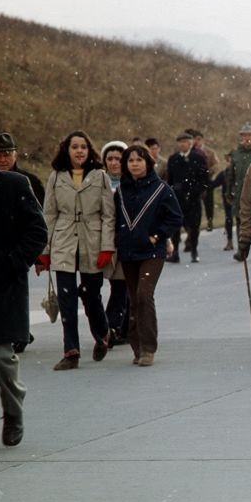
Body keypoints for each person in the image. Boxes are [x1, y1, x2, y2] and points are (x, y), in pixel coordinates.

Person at [0, 125, 47, 451]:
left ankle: (13, 406)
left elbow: (37, 231)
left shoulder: (14, 185)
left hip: (1, 286)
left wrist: (12, 263)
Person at [38, 130, 116, 370]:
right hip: (63, 241)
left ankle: (103, 333)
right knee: (66, 299)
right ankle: (71, 351)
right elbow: (49, 214)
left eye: (83, 147)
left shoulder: (100, 177)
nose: (79, 151)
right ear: (67, 150)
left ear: (89, 150)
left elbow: (108, 215)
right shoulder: (56, 177)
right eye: (74, 147)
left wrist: (107, 247)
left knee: (92, 296)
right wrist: (45, 250)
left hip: (92, 242)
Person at [114, 144, 183, 366]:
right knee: (133, 299)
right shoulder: (121, 192)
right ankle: (137, 347)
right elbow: (114, 219)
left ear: (148, 162)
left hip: (152, 252)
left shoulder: (161, 189)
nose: (134, 164)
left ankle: (148, 347)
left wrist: (157, 236)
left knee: (144, 294)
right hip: (127, 252)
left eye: (139, 160)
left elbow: (175, 217)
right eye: (130, 160)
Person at [100, 140, 130, 347]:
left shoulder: (133, 183)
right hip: (105, 240)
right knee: (117, 284)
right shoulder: (98, 183)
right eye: (109, 159)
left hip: (127, 241)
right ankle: (116, 326)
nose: (113, 163)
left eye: (118, 159)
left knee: (122, 285)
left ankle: (113, 325)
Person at [165, 132, 210, 263]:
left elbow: (204, 179)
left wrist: (196, 190)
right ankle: (175, 253)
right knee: (175, 226)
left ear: (190, 143)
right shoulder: (173, 159)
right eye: (180, 142)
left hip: (193, 198)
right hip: (177, 199)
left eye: (185, 141)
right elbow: (170, 179)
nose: (182, 144)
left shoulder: (198, 158)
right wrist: (172, 191)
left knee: (194, 226)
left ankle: (194, 250)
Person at [229, 123, 251, 252]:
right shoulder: (236, 153)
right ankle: (241, 248)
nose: (247, 138)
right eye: (244, 135)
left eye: (250, 135)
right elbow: (230, 174)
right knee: (241, 219)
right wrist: (229, 191)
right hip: (240, 191)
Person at [0, 132, 45, 206]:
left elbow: (42, 212)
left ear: (15, 155)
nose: (2, 160)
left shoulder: (31, 182)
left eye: (6, 155)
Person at [188, 130, 221, 231]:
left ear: (203, 140)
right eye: (195, 139)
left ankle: (209, 220)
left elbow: (217, 165)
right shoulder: (190, 152)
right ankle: (193, 223)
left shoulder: (209, 152)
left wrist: (208, 171)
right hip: (194, 181)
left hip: (207, 181)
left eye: (198, 139)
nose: (197, 142)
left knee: (208, 203)